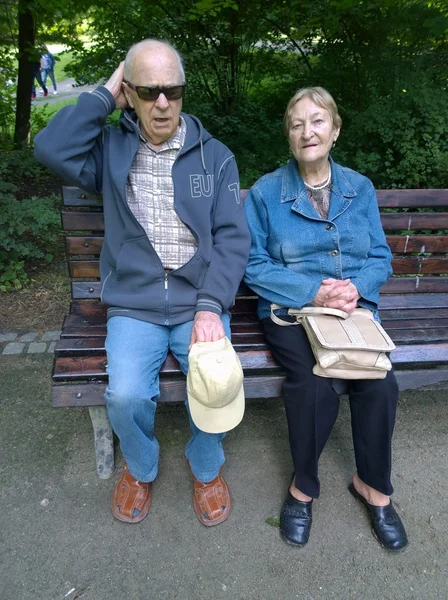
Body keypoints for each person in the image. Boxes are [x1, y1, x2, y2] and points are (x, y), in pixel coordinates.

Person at [34, 39, 250, 526]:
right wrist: (105, 94)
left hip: (200, 300)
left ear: (183, 93)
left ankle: (206, 467)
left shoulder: (215, 156)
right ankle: (140, 467)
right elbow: (50, 147)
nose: (161, 103)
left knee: (216, 384)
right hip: (135, 304)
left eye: (171, 90)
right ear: (129, 93)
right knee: (126, 395)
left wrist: (213, 307)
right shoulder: (110, 151)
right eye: (147, 90)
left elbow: (235, 239)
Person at [243, 86, 408, 551]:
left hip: (351, 312)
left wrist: (356, 288)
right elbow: (254, 266)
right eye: (296, 124)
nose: (306, 131)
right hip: (292, 311)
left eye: (317, 121)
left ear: (334, 131)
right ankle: (303, 488)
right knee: (314, 385)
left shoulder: (360, 187)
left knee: (379, 381)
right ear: (289, 137)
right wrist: (313, 290)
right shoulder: (266, 192)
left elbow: (380, 257)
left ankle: (373, 486)